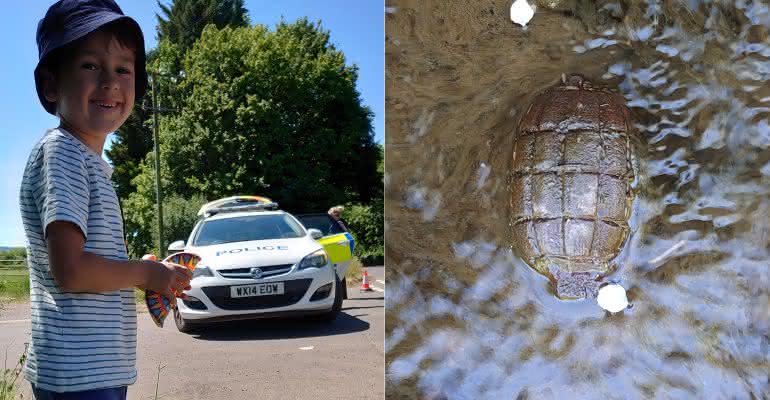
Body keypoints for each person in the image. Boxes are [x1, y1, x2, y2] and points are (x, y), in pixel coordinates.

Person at [19, 1, 192, 398]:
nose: (110, 82)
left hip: (90, 370)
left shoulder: (86, 161)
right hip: (81, 375)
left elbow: (91, 263)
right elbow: (73, 271)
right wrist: (147, 276)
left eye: (123, 69)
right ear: (51, 85)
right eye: (90, 66)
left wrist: (138, 268)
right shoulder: (63, 153)